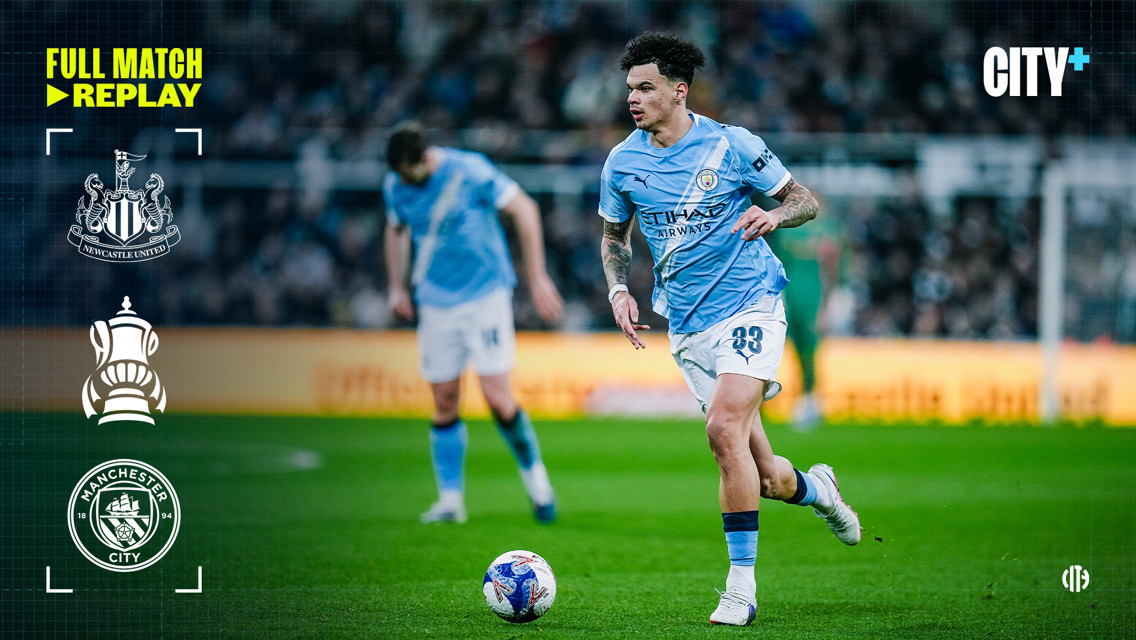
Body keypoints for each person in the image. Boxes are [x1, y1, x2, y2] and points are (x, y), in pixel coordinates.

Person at [597, 33, 861, 626]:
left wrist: (774, 213)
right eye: (630, 89)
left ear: (678, 90)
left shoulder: (732, 145)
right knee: (765, 475)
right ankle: (820, 492)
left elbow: (804, 200)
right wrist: (618, 289)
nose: (634, 99)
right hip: (686, 324)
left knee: (721, 429)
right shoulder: (623, 162)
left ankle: (740, 587)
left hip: (752, 304)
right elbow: (616, 236)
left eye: (646, 87)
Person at [384, 122, 562, 524]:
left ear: (425, 158)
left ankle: (538, 485)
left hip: (485, 297)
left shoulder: (470, 169)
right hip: (434, 302)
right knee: (444, 399)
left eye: (408, 173)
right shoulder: (395, 184)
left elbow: (524, 208)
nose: (403, 181)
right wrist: (396, 285)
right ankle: (450, 501)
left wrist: (536, 278)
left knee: (498, 399)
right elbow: (394, 229)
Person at [765, 211, 841, 430]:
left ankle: (809, 401)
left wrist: (828, 306)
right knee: (776, 351)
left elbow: (832, 269)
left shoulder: (827, 229)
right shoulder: (785, 230)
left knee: (808, 351)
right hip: (789, 298)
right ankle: (762, 402)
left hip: (812, 301)